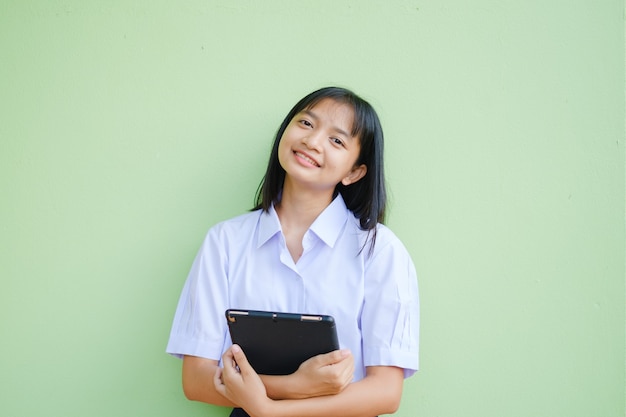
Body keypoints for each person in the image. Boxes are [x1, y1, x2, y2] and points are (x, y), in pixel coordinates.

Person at [166, 86, 419, 417]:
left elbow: (385, 393)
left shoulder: (380, 250)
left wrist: (269, 410)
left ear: (354, 172)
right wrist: (296, 386)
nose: (313, 142)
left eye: (337, 140)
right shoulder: (225, 241)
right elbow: (196, 381)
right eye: (306, 124)